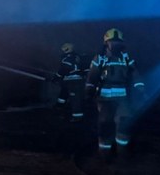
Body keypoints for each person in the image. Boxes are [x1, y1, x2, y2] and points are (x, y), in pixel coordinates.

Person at [85, 28, 145, 156]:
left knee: (124, 123)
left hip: (122, 98)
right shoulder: (100, 58)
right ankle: (104, 155)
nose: (115, 44)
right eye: (112, 41)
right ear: (106, 43)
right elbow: (92, 76)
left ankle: (122, 153)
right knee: (105, 124)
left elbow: (135, 74)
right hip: (104, 98)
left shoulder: (126, 58)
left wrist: (140, 89)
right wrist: (89, 90)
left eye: (118, 42)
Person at [53, 42, 85, 122]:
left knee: (74, 99)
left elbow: (62, 70)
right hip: (78, 81)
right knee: (66, 96)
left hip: (72, 82)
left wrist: (56, 78)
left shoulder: (67, 59)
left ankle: (76, 117)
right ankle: (60, 110)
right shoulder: (78, 57)